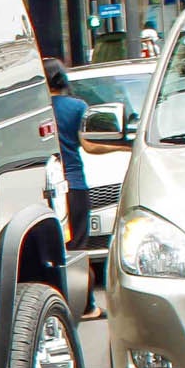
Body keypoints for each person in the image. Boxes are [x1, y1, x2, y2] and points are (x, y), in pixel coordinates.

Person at [46, 57, 119, 320]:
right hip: (74, 187)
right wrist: (122, 146)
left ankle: (57, 301)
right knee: (77, 248)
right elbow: (89, 145)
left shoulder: (36, 110)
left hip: (45, 189)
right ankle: (87, 306)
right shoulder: (77, 107)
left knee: (53, 250)